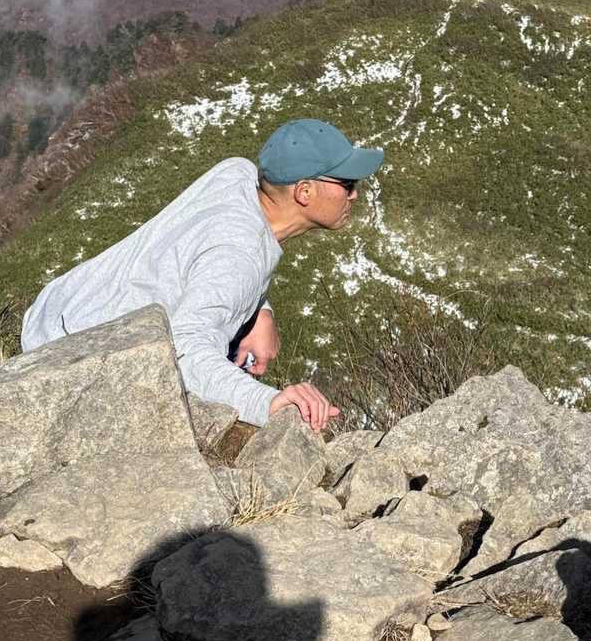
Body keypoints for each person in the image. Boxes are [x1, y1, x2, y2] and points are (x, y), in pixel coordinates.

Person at [20, 118, 383, 431]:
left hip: (62, 306)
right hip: (69, 360)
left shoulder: (236, 173)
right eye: (347, 184)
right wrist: (267, 403)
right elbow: (184, 350)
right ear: (304, 192)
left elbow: (221, 259)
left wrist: (260, 310)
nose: (353, 195)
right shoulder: (239, 255)